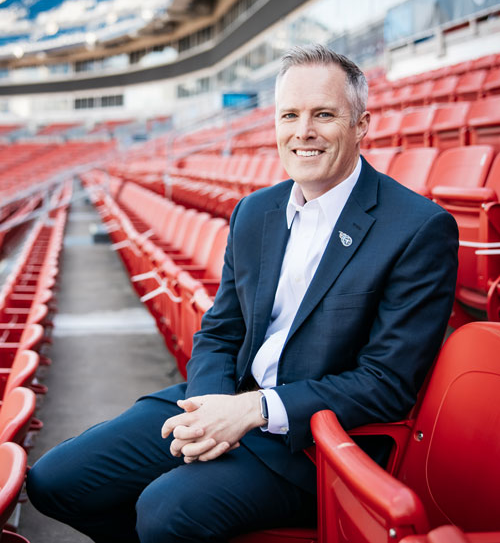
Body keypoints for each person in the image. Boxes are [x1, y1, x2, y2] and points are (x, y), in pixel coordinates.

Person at [27, 45, 458, 543]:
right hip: (224, 399)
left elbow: (385, 383)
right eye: (290, 115)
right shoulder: (255, 211)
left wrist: (254, 411)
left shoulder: (419, 228)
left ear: (361, 124)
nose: (304, 132)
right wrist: (207, 407)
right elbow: (222, 327)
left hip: (311, 444)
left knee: (165, 512)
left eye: (324, 115)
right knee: (55, 481)